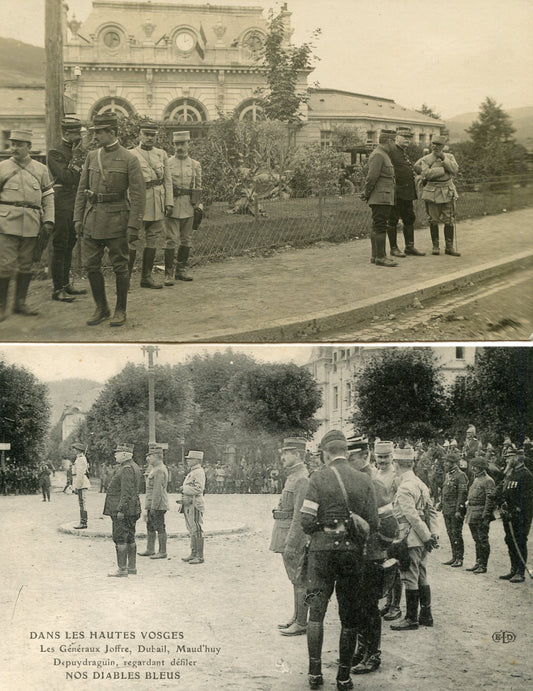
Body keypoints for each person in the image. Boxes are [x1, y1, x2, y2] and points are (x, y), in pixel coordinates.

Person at [300, 430, 378, 690]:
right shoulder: (364, 480)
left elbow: (306, 521)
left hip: (321, 553)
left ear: (325, 453)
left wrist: (324, 528)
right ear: (346, 452)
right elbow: (374, 524)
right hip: (351, 554)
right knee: (349, 617)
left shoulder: (317, 478)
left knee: (316, 614)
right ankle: (343, 677)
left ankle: (314, 675)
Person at [73, 113, 145, 327]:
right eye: (94, 132)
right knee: (91, 266)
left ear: (112, 132)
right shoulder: (92, 156)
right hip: (92, 219)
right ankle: (101, 307)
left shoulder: (129, 159)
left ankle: (120, 309)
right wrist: (78, 217)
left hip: (117, 220)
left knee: (120, 267)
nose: (95, 137)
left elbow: (139, 195)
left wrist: (134, 225)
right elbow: (81, 189)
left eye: (99, 132)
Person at [347, 437, 399, 675]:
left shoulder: (374, 484)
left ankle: (373, 654)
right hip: (356, 554)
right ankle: (361, 649)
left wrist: (378, 548)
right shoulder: (352, 480)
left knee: (368, 606)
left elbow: (390, 525)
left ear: (365, 456)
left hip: (370, 555)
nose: (348, 463)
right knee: (357, 605)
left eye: (353, 458)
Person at [0, 128, 55, 321]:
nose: (14, 148)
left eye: (19, 144)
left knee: (26, 265)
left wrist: (49, 220)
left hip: (31, 224)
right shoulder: (2, 167)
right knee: (5, 265)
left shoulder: (41, 169)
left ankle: (20, 303)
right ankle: (1, 307)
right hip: (6, 223)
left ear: (29, 147)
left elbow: (48, 197)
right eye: (13, 144)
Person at [390, 445, 439, 631]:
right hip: (423, 537)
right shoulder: (421, 484)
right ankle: (426, 614)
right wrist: (432, 535)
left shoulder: (404, 488)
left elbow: (412, 516)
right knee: (422, 574)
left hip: (410, 538)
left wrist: (426, 537)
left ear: (397, 464)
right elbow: (431, 512)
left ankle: (411, 618)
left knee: (409, 576)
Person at [270, 437, 310, 637]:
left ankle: (302, 622)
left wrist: (292, 542)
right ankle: (297, 617)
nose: (282, 456)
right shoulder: (293, 476)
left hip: (292, 537)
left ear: (298, 455)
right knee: (294, 579)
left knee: (299, 579)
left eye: (287, 453)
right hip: (284, 531)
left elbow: (299, 515)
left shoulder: (302, 478)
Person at [46, 116, 88, 302]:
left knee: (71, 243)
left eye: (79, 132)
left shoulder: (76, 150)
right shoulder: (55, 152)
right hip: (61, 203)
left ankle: (65, 285)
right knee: (60, 244)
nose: (79, 136)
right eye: (75, 133)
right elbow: (67, 178)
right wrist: (78, 159)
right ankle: (57, 290)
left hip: (75, 202)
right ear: (66, 133)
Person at [129, 120, 173, 289]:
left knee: (153, 239)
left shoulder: (161, 154)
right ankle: (125, 280)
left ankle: (146, 277)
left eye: (152, 135)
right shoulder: (131, 154)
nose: (149, 138)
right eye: (146, 135)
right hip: (139, 202)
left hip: (158, 201)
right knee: (132, 239)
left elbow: (167, 180)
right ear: (140, 135)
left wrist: (169, 202)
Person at [164, 131, 202, 282]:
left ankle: (182, 269)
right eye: (177, 144)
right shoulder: (167, 163)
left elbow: (199, 186)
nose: (180, 147)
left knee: (187, 239)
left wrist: (198, 206)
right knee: (170, 239)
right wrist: (167, 203)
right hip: (171, 205)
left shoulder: (195, 164)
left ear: (188, 144)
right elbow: (164, 185)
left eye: (183, 143)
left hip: (188, 205)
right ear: (173, 145)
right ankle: (168, 273)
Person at [415, 135, 460, 256]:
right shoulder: (426, 159)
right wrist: (444, 170)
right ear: (431, 145)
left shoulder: (450, 157)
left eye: (438, 145)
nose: (435, 147)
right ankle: (435, 246)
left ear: (443, 146)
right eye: (433, 144)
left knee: (449, 220)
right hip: (432, 192)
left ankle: (449, 247)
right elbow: (426, 174)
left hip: (447, 191)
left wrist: (444, 160)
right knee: (433, 220)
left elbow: (455, 170)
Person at [374, 440, 403, 622]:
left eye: (386, 457)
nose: (383, 461)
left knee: (394, 567)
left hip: (391, 524)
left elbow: (398, 502)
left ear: (392, 457)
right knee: (383, 565)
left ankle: (396, 606)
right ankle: (388, 602)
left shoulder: (396, 476)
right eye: (380, 457)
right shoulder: (375, 473)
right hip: (378, 525)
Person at [103, 443, 142, 577]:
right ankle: (131, 567)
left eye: (117, 453)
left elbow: (126, 492)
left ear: (125, 454)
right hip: (132, 509)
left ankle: (122, 569)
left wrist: (120, 509)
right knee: (130, 537)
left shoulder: (126, 469)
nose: (115, 455)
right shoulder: (133, 466)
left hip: (123, 511)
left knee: (120, 538)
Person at [495, 448, 533, 583]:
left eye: (509, 457)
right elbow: (504, 491)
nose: (506, 460)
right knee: (510, 540)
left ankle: (520, 572)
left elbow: (527, 499)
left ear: (517, 458)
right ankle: (513, 569)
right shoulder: (511, 474)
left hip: (520, 516)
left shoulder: (526, 475)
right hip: (508, 515)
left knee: (520, 541)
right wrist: (502, 503)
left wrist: (516, 510)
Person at [362, 130, 398, 267]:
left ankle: (375, 255)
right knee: (380, 226)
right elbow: (371, 177)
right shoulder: (379, 155)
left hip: (383, 196)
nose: (395, 144)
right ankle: (381, 257)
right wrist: (367, 193)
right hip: (380, 197)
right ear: (389, 141)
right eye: (394, 140)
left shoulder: (383, 154)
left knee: (378, 225)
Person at [387, 128, 425, 258]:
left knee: (409, 218)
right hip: (396, 193)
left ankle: (409, 247)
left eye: (409, 137)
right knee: (393, 220)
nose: (407, 140)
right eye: (404, 137)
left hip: (407, 193)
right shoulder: (391, 152)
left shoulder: (403, 152)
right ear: (396, 138)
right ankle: (394, 248)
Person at [465, 456, 496, 574]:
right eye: (473, 466)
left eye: (476, 466)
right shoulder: (476, 479)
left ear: (482, 468)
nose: (473, 468)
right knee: (476, 539)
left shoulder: (488, 480)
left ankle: (483, 565)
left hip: (481, 514)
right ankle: (478, 562)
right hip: (473, 513)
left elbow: (490, 500)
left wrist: (486, 516)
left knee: (483, 540)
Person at [139, 446, 169, 560]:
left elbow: (158, 490)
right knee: (150, 526)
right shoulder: (154, 468)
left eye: (150, 456)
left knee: (160, 526)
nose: (148, 459)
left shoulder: (159, 469)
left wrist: (153, 507)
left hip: (158, 504)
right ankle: (150, 549)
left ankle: (162, 551)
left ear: (157, 456)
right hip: (152, 504)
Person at [440, 450, 468, 567]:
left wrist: (458, 510)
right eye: (445, 461)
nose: (445, 464)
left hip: (455, 510)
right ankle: (454, 556)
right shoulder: (448, 475)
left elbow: (462, 495)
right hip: (447, 509)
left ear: (454, 463)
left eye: (447, 462)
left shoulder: (461, 475)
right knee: (450, 533)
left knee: (456, 533)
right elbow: (445, 491)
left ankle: (459, 558)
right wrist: (441, 503)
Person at [179, 450, 206, 565]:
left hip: (195, 503)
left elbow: (199, 489)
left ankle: (199, 556)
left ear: (197, 460)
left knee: (197, 528)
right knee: (191, 529)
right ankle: (193, 553)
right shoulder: (193, 472)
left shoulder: (198, 472)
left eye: (190, 459)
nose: (187, 461)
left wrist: (184, 489)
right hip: (189, 502)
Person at [71, 442, 91, 529]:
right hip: (81, 482)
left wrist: (76, 487)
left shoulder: (80, 459)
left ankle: (83, 523)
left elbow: (79, 474)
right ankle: (83, 522)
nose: (74, 451)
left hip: (82, 483)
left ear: (78, 450)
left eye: (75, 449)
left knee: (82, 503)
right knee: (82, 503)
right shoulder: (80, 458)